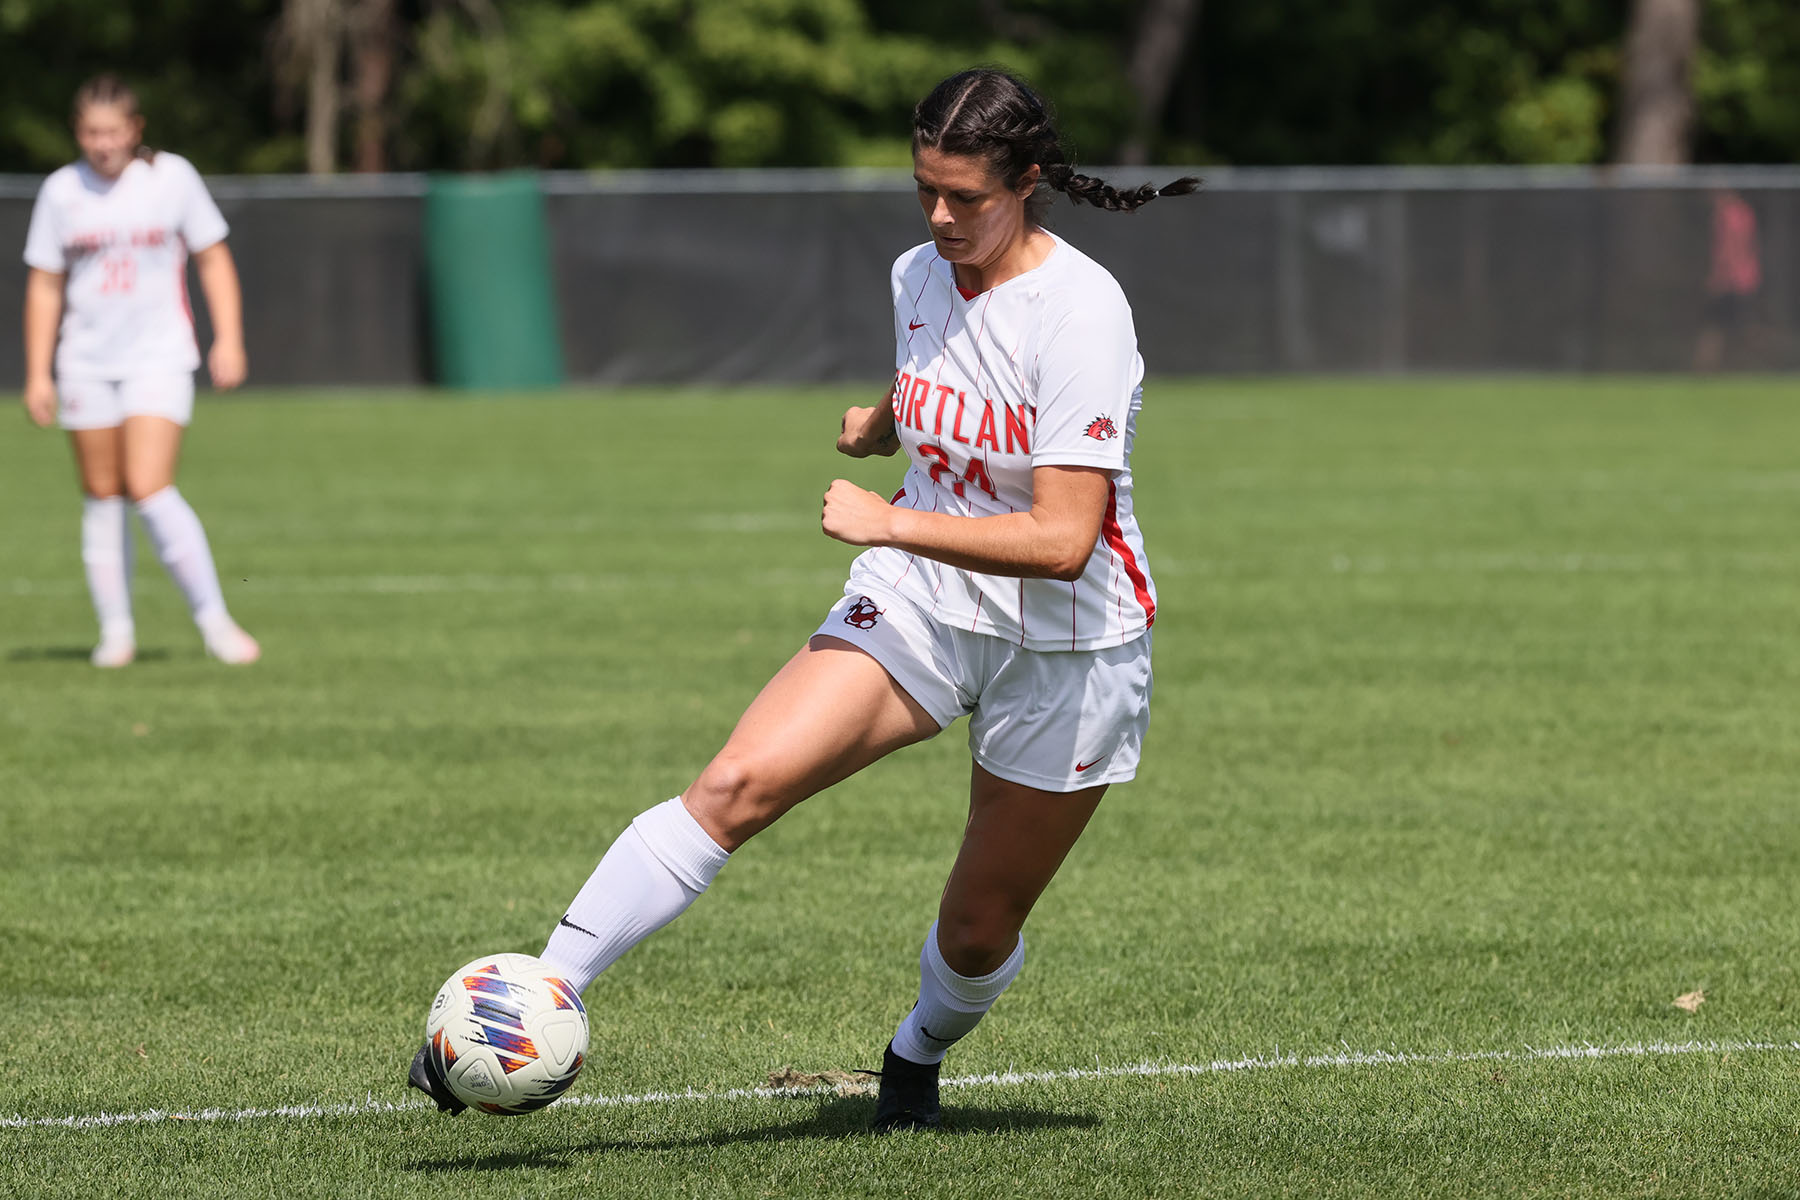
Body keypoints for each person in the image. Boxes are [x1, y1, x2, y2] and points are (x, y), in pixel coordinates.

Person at [408, 67, 1196, 1131]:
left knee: (976, 930)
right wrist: (885, 421)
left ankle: (916, 1052)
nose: (940, 214)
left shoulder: (1084, 310)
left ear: (1030, 180)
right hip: (921, 602)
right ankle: (533, 997)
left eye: (966, 196)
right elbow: (945, 363)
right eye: (925, 188)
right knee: (737, 782)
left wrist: (889, 516)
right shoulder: (918, 270)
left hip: (1070, 645)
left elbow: (1063, 540)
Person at [21, 74, 260, 667]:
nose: (102, 143)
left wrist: (228, 338)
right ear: (79, 133)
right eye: (91, 132)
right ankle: (117, 633)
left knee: (149, 487)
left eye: (113, 131)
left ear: (135, 130)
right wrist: (38, 372)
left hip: (158, 354)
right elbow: (46, 285)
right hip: (86, 361)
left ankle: (215, 621)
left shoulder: (171, 178)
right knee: (102, 495)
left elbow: (212, 255)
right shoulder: (61, 192)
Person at [1693, 188, 1761, 372]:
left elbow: (1728, 250)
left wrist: (1719, 278)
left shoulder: (1725, 215)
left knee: (1714, 328)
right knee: (1740, 328)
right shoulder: (1745, 212)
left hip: (1732, 282)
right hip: (1747, 281)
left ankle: (1706, 370)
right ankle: (1743, 368)